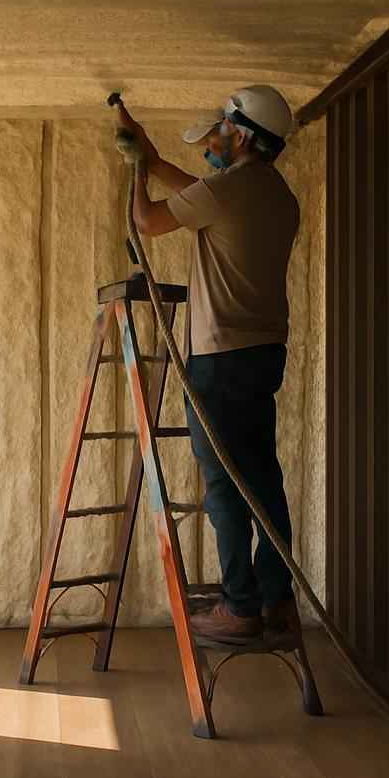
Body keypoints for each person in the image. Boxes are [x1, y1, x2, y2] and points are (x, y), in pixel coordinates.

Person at [113, 85, 301, 645]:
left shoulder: (228, 190)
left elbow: (148, 222)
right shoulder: (275, 194)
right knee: (263, 481)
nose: (213, 138)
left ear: (242, 133)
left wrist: (136, 173)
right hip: (264, 354)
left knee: (222, 485)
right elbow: (203, 192)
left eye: (221, 127)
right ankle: (276, 603)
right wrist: (153, 158)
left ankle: (238, 608)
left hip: (219, 359)